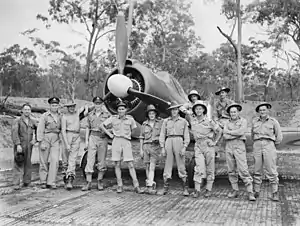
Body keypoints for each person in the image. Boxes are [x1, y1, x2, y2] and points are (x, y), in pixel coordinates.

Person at [100, 100, 143, 194]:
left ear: (126, 110)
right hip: (116, 140)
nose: (120, 111)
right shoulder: (113, 118)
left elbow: (134, 129)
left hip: (126, 141)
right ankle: (120, 185)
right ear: (117, 110)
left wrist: (128, 135)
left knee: (130, 164)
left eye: (122, 109)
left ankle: (136, 185)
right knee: (117, 164)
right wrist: (110, 134)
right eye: (119, 109)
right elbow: (102, 125)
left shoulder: (130, 119)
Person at [187, 100, 222, 198]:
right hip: (198, 146)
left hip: (208, 145)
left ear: (203, 110)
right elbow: (184, 109)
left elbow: (219, 131)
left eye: (200, 109)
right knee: (198, 168)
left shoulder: (209, 121)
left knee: (210, 168)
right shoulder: (192, 121)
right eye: (196, 109)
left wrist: (214, 142)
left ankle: (208, 189)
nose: (198, 111)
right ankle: (197, 190)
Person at [223, 103, 256, 201]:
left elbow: (241, 132)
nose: (233, 113)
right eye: (231, 112)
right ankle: (235, 190)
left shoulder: (243, 121)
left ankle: (250, 192)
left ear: (238, 112)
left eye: (234, 112)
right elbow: (225, 135)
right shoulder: (226, 123)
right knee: (231, 169)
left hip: (239, 145)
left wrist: (230, 132)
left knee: (243, 169)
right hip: (229, 146)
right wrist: (234, 133)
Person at [251, 102, 282, 201]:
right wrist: (258, 142)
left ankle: (275, 192)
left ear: (268, 110)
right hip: (257, 144)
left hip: (269, 144)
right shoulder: (255, 121)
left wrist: (270, 144)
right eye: (260, 110)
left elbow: (279, 137)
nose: (262, 112)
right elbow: (252, 135)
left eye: (264, 110)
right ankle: (256, 190)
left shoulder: (273, 122)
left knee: (271, 169)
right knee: (257, 169)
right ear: (258, 112)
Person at [159, 101, 190, 196]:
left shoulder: (183, 121)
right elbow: (162, 134)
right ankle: (165, 187)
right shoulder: (166, 121)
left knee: (181, 164)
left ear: (178, 110)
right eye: (172, 110)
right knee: (168, 164)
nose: (174, 111)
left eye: (176, 109)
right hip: (169, 140)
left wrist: (184, 147)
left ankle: (185, 187)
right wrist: (162, 147)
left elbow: (186, 135)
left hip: (179, 140)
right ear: (170, 111)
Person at [81, 96, 110, 191]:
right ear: (94, 104)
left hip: (102, 138)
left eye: (99, 103)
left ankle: (99, 181)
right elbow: (87, 128)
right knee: (90, 159)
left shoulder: (107, 115)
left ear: (102, 104)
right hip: (92, 136)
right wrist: (86, 141)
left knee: (102, 160)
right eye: (96, 103)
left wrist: (108, 132)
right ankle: (88, 182)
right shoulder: (90, 115)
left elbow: (111, 126)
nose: (98, 105)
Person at [61, 100, 90, 190]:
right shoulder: (64, 117)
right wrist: (66, 143)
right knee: (65, 159)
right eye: (70, 107)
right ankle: (65, 177)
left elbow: (87, 107)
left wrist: (85, 108)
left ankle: (70, 178)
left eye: (73, 106)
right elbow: (63, 130)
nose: (72, 108)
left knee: (73, 158)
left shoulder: (77, 114)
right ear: (67, 108)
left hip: (76, 135)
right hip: (67, 135)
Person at [37, 97, 61, 189]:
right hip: (46, 137)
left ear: (58, 106)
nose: (54, 107)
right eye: (53, 105)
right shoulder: (45, 116)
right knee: (43, 160)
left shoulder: (60, 116)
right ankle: (43, 180)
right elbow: (40, 129)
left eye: (56, 105)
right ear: (50, 106)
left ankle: (51, 181)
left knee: (55, 160)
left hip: (56, 138)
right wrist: (41, 141)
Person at [11, 103, 37, 190]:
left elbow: (38, 130)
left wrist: (35, 139)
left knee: (28, 163)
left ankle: (27, 181)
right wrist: (17, 144)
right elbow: (14, 133)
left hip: (29, 145)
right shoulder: (17, 121)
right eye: (25, 109)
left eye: (28, 109)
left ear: (30, 111)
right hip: (20, 145)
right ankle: (16, 183)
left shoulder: (32, 121)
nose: (27, 111)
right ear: (22, 110)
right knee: (18, 162)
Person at [139, 104, 163, 195]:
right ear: (148, 115)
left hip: (155, 146)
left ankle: (149, 185)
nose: (152, 115)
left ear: (156, 114)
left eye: (153, 113)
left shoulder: (160, 123)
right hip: (146, 146)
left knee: (152, 166)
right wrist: (141, 150)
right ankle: (150, 183)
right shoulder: (144, 124)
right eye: (150, 113)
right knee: (147, 166)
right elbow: (141, 137)